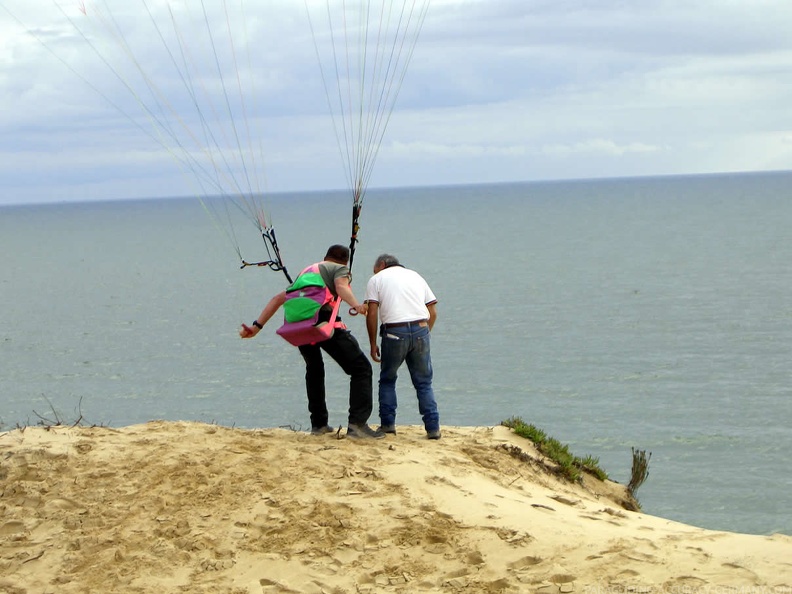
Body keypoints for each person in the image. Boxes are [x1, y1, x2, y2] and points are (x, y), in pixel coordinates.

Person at [240, 244, 385, 439]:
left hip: (300, 329)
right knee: (361, 369)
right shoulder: (340, 269)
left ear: (325, 256)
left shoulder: (307, 272)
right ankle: (357, 426)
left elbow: (278, 298)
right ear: (344, 262)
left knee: (315, 370)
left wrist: (256, 327)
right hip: (322, 325)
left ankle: (319, 425)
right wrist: (357, 305)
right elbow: (341, 286)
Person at [364, 254, 441, 439]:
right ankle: (433, 428)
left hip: (394, 332)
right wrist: (425, 334)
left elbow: (372, 313)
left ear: (381, 265)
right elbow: (432, 312)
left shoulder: (376, 279)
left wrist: (373, 343)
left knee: (388, 379)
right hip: (421, 328)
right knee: (424, 383)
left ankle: (388, 425)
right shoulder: (416, 276)